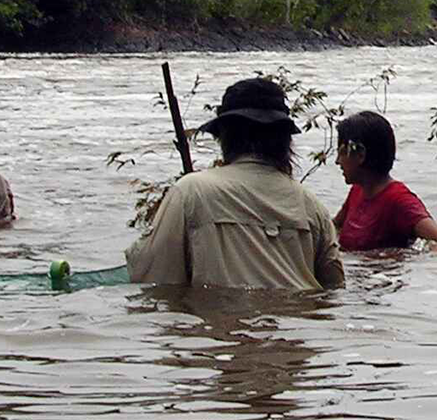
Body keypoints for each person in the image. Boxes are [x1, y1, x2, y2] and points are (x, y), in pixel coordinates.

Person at [126, 77, 345, 291]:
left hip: (222, 322)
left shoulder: (191, 191)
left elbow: (154, 277)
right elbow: (333, 288)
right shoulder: (312, 206)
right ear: (285, 140)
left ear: (225, 136)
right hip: (295, 323)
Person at [333, 111, 437, 252]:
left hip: (382, 274)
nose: (337, 161)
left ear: (361, 155)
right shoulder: (357, 191)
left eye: (342, 153)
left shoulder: (398, 200)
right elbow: (334, 227)